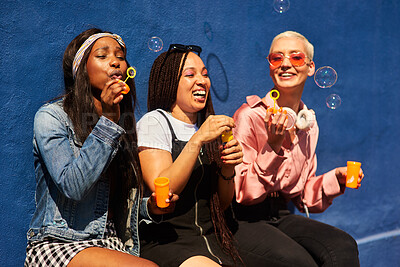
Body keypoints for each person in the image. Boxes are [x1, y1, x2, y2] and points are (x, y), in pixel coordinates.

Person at [25, 28, 175, 267]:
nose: (115, 62)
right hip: (61, 244)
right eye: (103, 56)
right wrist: (107, 123)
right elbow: (73, 186)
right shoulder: (51, 117)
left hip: (111, 243)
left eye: (120, 56)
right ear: (81, 69)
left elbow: (114, 206)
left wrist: (150, 208)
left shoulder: (121, 121)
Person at [232, 31, 364, 266]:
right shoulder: (249, 116)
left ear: (311, 67)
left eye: (296, 58)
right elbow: (242, 193)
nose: (285, 64)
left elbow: (302, 196)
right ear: (270, 65)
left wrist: (336, 179)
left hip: (280, 214)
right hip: (243, 220)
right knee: (300, 262)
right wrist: (272, 147)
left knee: (344, 246)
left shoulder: (307, 124)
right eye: (276, 58)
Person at [137, 44, 244, 267]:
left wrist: (227, 169)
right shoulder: (154, 122)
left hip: (211, 242)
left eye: (205, 74)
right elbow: (162, 188)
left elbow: (221, 204)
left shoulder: (209, 128)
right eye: (190, 74)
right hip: (168, 241)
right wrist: (196, 141)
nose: (202, 81)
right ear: (169, 82)